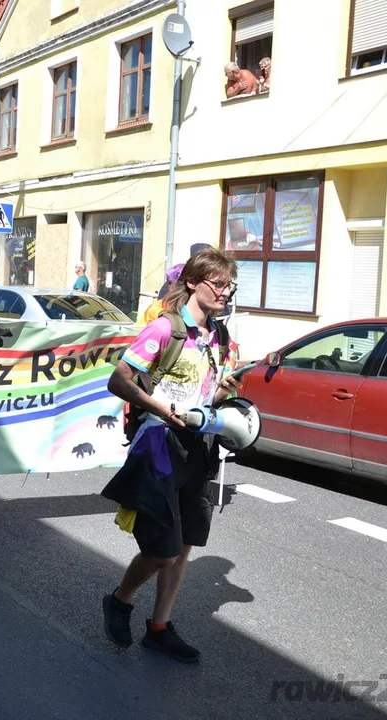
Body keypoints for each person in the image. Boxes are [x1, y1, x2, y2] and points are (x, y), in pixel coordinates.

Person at [100, 246, 240, 663]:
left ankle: (159, 627)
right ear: (194, 283)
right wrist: (159, 407)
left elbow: (203, 395)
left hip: (197, 445)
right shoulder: (165, 329)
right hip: (159, 443)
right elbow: (118, 381)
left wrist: (222, 392)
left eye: (231, 286)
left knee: (184, 547)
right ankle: (121, 600)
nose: (226, 293)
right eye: (219, 284)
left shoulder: (221, 336)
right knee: (162, 548)